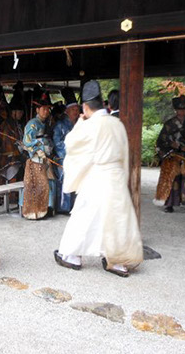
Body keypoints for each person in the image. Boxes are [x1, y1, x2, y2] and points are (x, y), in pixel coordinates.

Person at [54, 80, 143, 277]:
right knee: (116, 219)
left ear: (85, 107)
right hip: (116, 177)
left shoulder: (90, 125)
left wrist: (80, 122)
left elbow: (71, 143)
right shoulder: (117, 123)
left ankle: (71, 255)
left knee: (84, 216)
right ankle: (117, 261)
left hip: (97, 177)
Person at [155, 95, 185, 216]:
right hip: (173, 156)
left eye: (184, 109)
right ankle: (169, 204)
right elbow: (161, 140)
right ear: (175, 110)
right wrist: (171, 145)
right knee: (172, 180)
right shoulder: (169, 124)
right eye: (179, 109)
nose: (182, 111)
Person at [21, 93, 56, 219]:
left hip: (45, 157)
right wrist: (37, 149)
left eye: (48, 109)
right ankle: (32, 212)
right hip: (35, 159)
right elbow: (26, 141)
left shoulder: (45, 123)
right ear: (37, 110)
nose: (46, 111)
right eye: (43, 108)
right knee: (38, 186)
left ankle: (45, 209)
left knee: (47, 185)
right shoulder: (33, 124)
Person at [53, 91, 80, 214]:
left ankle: (76, 205)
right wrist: (69, 155)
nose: (76, 111)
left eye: (77, 109)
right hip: (63, 158)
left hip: (77, 157)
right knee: (66, 178)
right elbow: (57, 142)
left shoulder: (79, 124)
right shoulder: (60, 124)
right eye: (73, 109)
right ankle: (64, 207)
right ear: (67, 111)